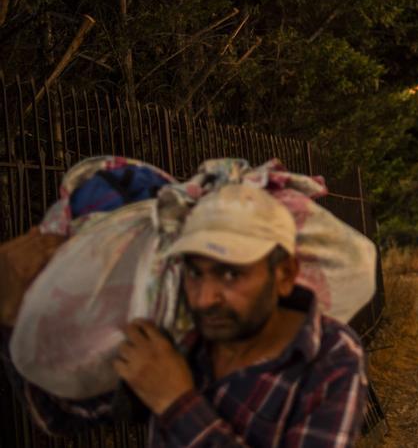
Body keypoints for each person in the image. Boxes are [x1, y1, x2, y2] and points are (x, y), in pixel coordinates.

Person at [0, 183, 367, 447]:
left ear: (284, 274)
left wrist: (176, 402)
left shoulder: (330, 356)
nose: (206, 297)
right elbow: (60, 416)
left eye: (229, 274)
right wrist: (13, 313)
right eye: (195, 272)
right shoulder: (181, 332)